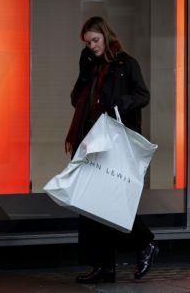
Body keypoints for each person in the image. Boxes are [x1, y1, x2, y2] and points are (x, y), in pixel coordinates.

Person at [65, 16, 158, 284]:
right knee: (93, 206)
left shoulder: (125, 64)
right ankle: (105, 266)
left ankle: (144, 243)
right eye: (87, 42)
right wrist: (84, 72)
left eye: (95, 40)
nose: (92, 46)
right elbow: (76, 100)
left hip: (115, 142)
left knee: (110, 204)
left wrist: (120, 105)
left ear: (105, 36)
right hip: (91, 142)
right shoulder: (90, 68)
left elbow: (143, 95)